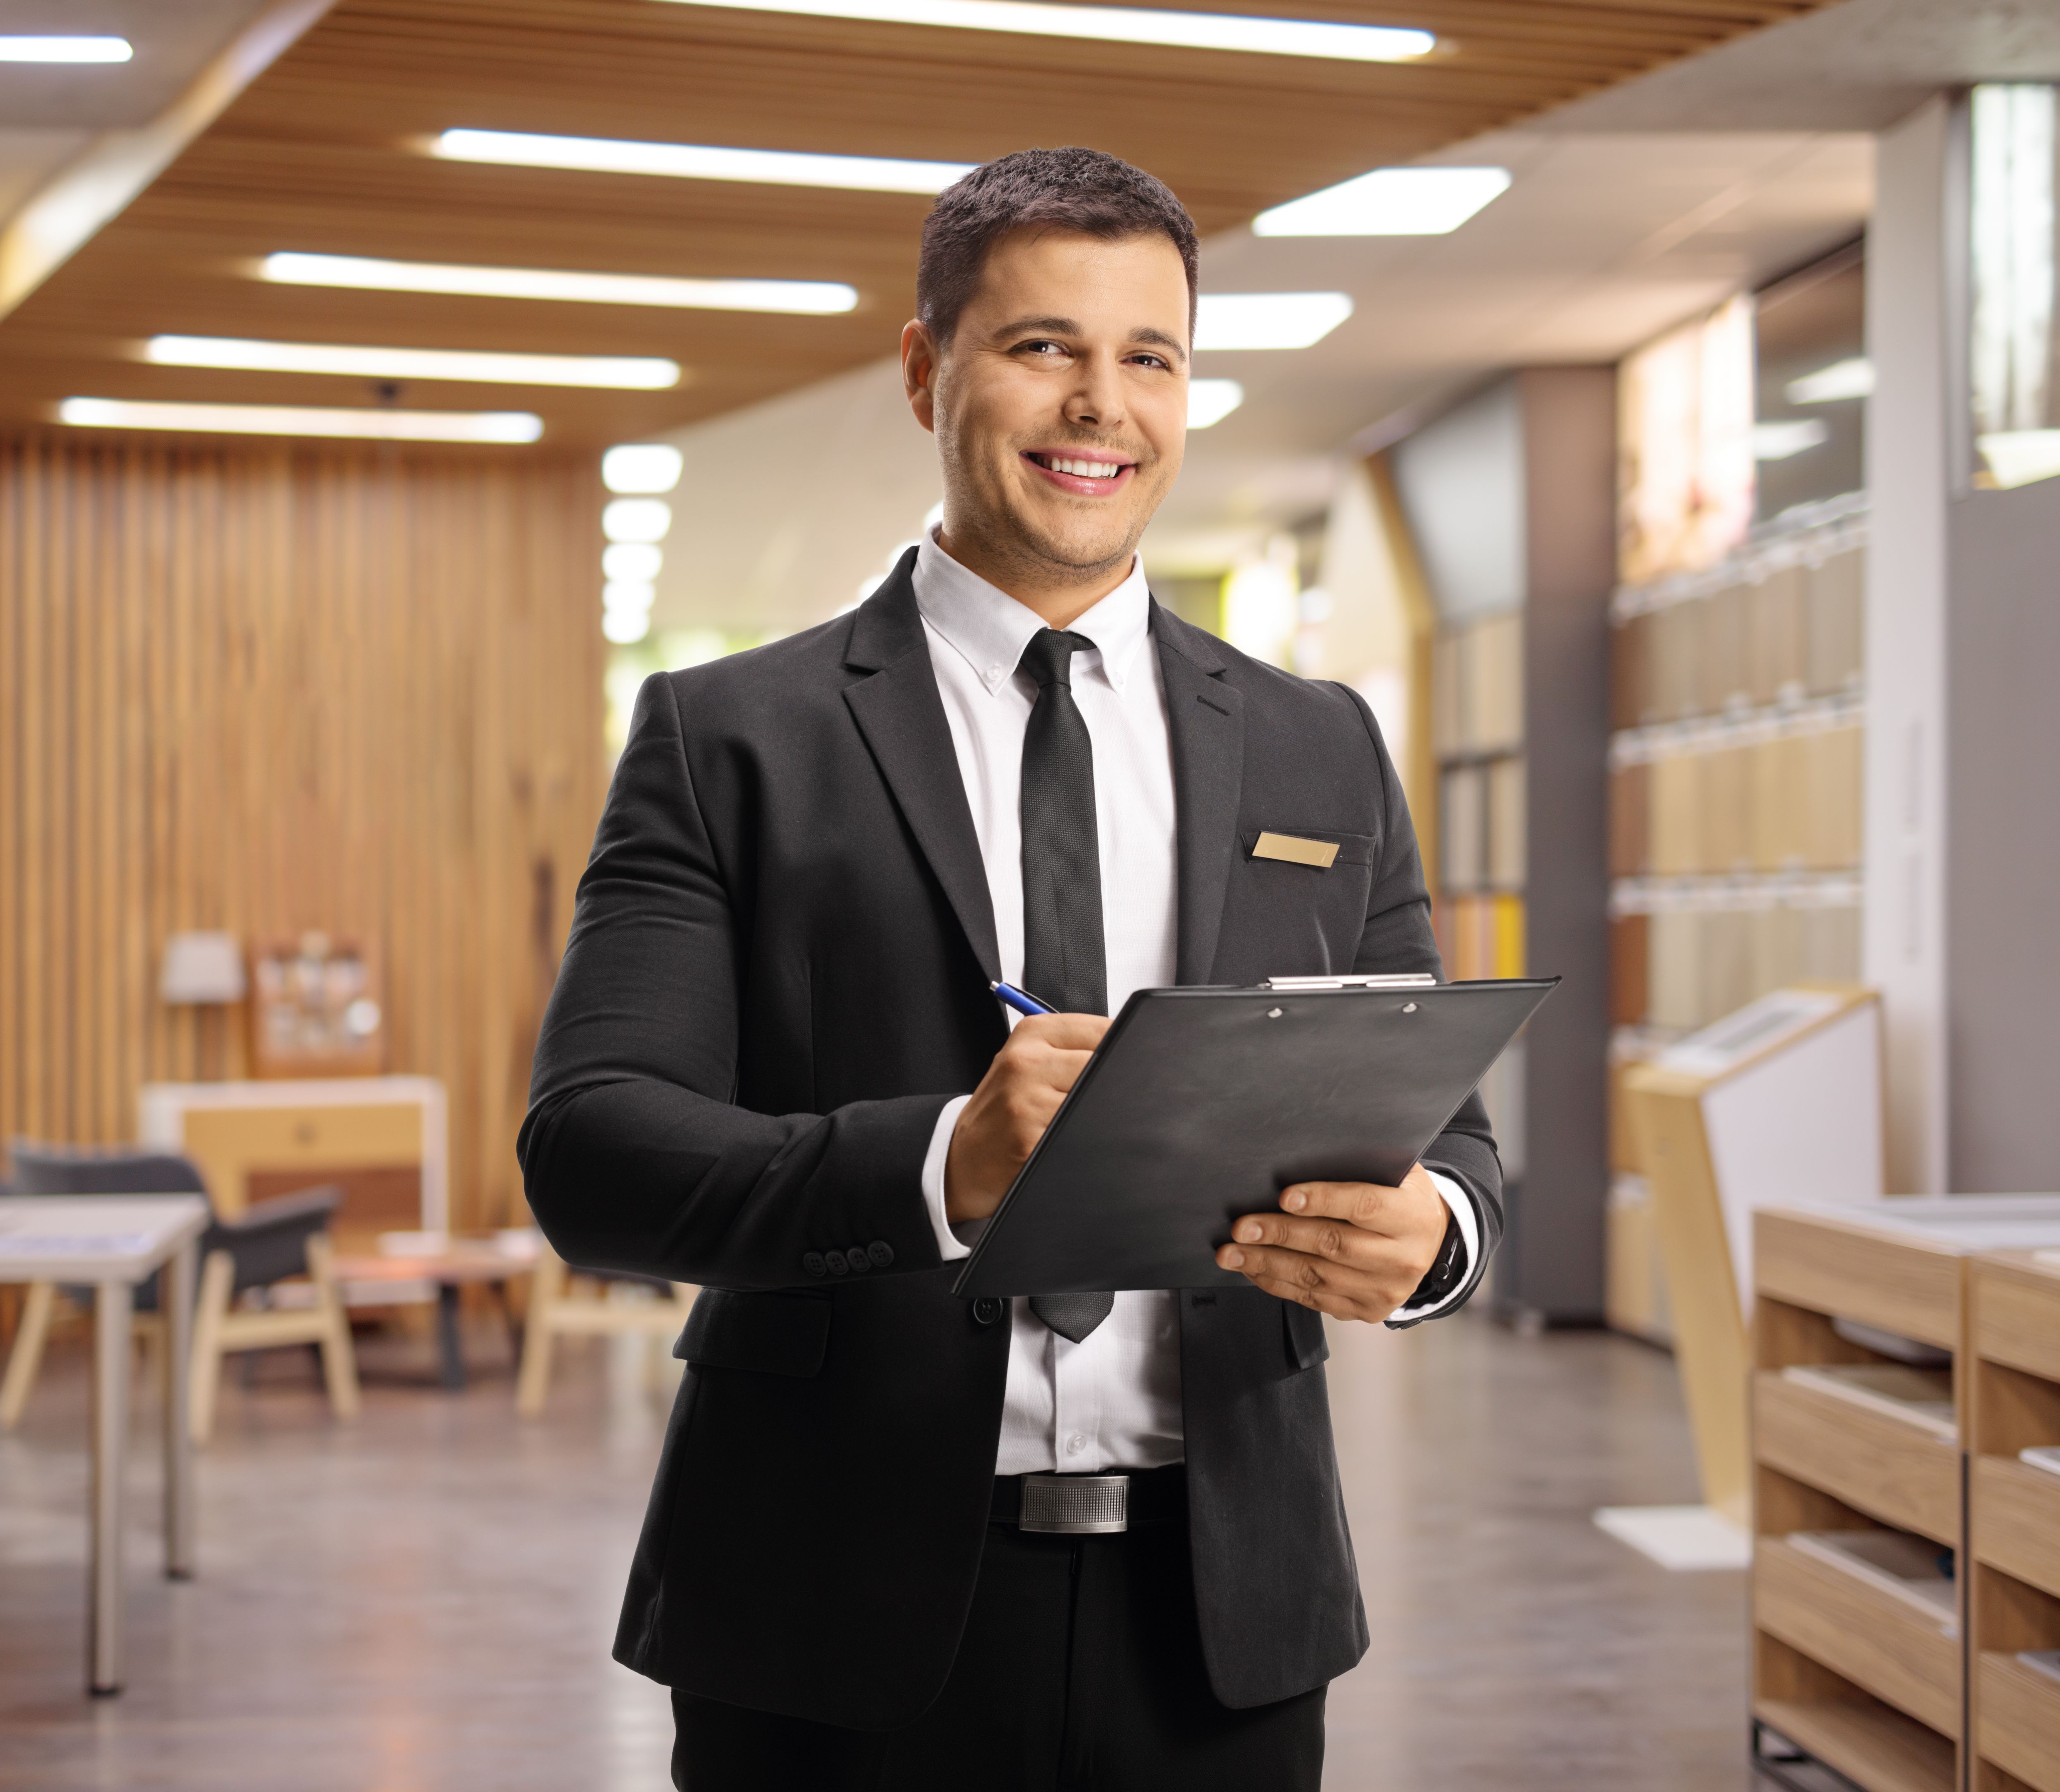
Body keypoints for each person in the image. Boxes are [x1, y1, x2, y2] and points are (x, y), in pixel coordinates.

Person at [519, 145, 1500, 1791]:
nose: (1098, 406)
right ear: (928, 370)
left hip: (1229, 1623)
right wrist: (940, 1162)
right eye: (1045, 346)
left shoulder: (1319, 748)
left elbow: (1446, 1125)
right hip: (831, 1612)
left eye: (1150, 357)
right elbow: (594, 1150)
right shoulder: (730, 737)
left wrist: (1439, 1237)